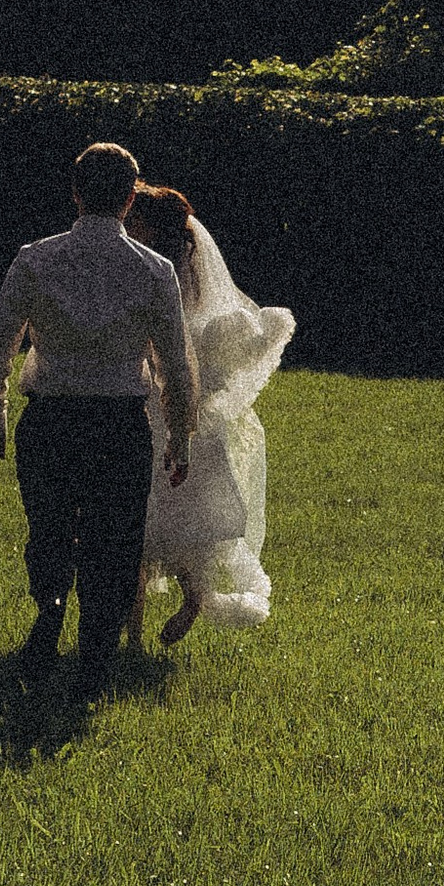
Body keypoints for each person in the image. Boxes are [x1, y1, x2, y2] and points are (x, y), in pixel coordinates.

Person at [0, 141, 196, 698]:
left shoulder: (36, 258)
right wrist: (181, 437)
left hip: (50, 422)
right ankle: (95, 654)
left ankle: (48, 620)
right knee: (113, 542)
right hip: (120, 427)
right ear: (128, 200)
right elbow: (174, 362)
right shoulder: (154, 269)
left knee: (49, 532)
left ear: (75, 193)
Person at [120, 182, 294, 646]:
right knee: (153, 529)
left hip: (180, 422)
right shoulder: (153, 273)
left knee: (180, 526)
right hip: (156, 416)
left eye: (134, 220)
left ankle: (185, 605)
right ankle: (142, 628)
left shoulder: (171, 283)